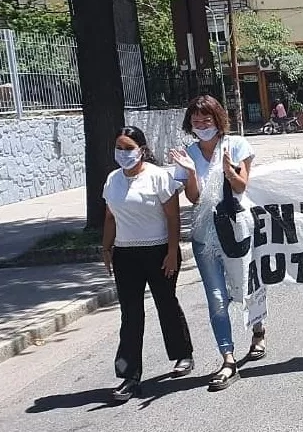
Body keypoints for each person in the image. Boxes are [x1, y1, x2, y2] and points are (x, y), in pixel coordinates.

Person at [168, 95, 264, 391]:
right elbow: (195, 198)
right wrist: (191, 172)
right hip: (204, 236)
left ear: (218, 119)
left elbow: (241, 186)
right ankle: (228, 359)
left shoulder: (236, 146)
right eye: (196, 121)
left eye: (206, 120)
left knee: (245, 288)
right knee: (217, 299)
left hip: (237, 232)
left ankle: (258, 330)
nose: (201, 125)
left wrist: (228, 169)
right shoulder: (188, 153)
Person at [102, 126, 193, 402]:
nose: (123, 153)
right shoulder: (112, 180)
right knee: (130, 314)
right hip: (125, 254)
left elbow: (173, 218)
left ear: (141, 149)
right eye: (119, 147)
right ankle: (130, 376)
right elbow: (109, 217)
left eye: (128, 148)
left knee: (166, 302)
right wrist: (106, 248)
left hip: (158, 251)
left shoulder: (158, 177)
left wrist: (171, 252)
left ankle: (182, 354)